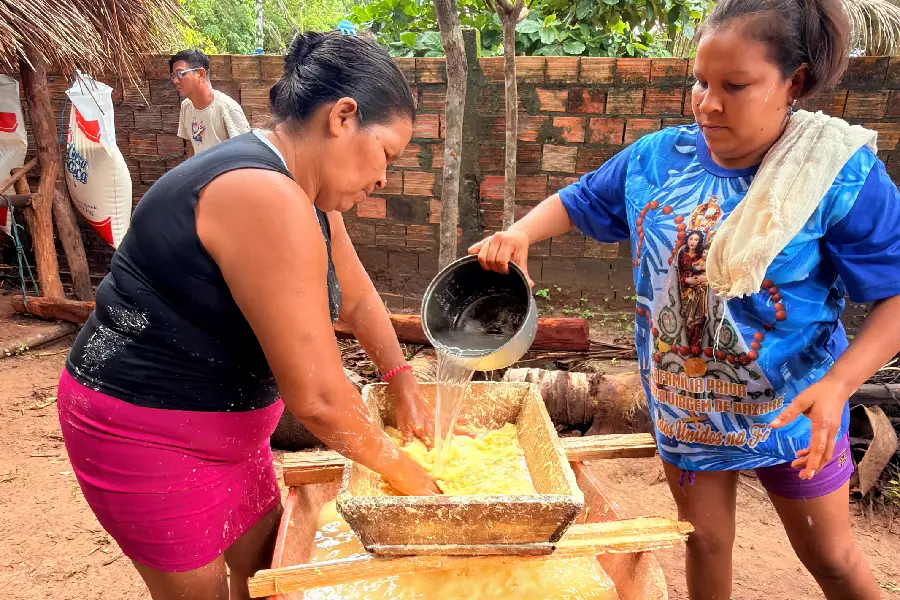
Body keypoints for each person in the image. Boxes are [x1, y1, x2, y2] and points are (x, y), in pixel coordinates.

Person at [470, 0, 899, 598]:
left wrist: (840, 384)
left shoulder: (832, 175)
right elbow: (581, 199)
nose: (708, 103)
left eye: (736, 85)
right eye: (701, 81)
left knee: (831, 559)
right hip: (686, 400)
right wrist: (519, 233)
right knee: (704, 541)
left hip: (796, 412)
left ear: (793, 81)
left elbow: (896, 298)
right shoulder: (657, 158)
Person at [58, 33, 440, 600]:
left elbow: (358, 300)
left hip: (229, 435)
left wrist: (401, 380)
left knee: (267, 577)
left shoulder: (305, 193)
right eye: (386, 153)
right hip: (146, 432)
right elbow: (318, 399)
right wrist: (416, 481)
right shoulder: (261, 194)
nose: (384, 177)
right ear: (342, 117)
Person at [170, 49, 251, 157]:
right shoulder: (186, 107)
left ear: (201, 74)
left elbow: (246, 154)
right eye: (173, 75)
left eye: (180, 74)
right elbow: (194, 147)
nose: (175, 81)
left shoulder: (227, 109)